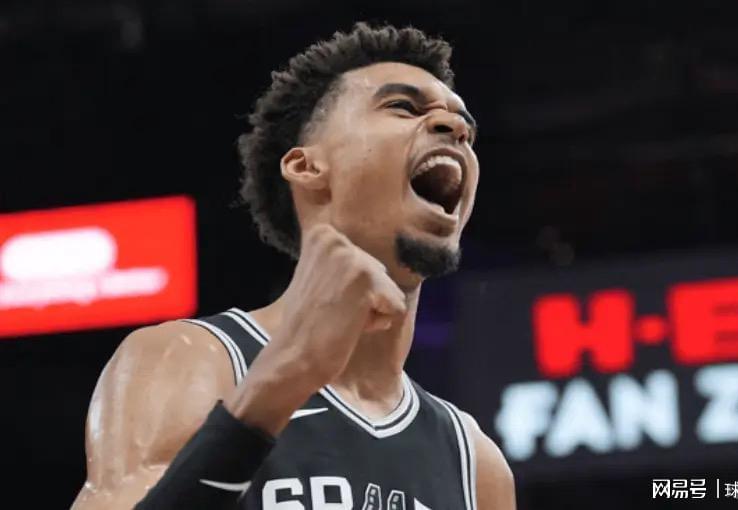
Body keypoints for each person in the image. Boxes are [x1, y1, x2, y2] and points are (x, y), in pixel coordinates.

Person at [71, 22, 515, 510]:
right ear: (306, 167)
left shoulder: (475, 465)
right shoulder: (190, 360)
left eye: (465, 127)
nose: (455, 128)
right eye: (403, 107)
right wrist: (281, 382)